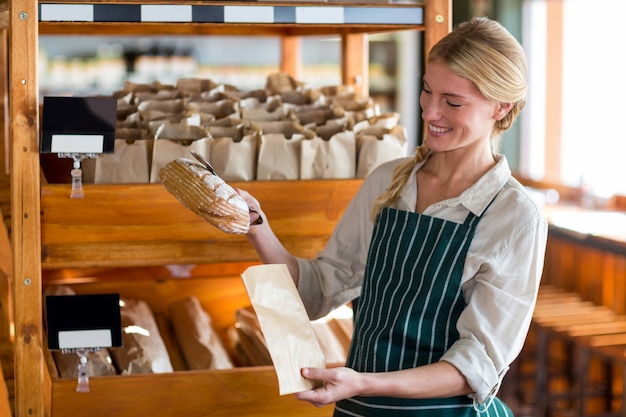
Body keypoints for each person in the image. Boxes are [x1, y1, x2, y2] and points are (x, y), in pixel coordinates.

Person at [239, 16, 547, 416]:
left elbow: (477, 364)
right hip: (360, 407)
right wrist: (256, 227)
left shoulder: (514, 216)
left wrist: (366, 383)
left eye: (453, 102)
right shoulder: (389, 181)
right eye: (426, 90)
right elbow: (318, 290)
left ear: (501, 107)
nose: (430, 112)